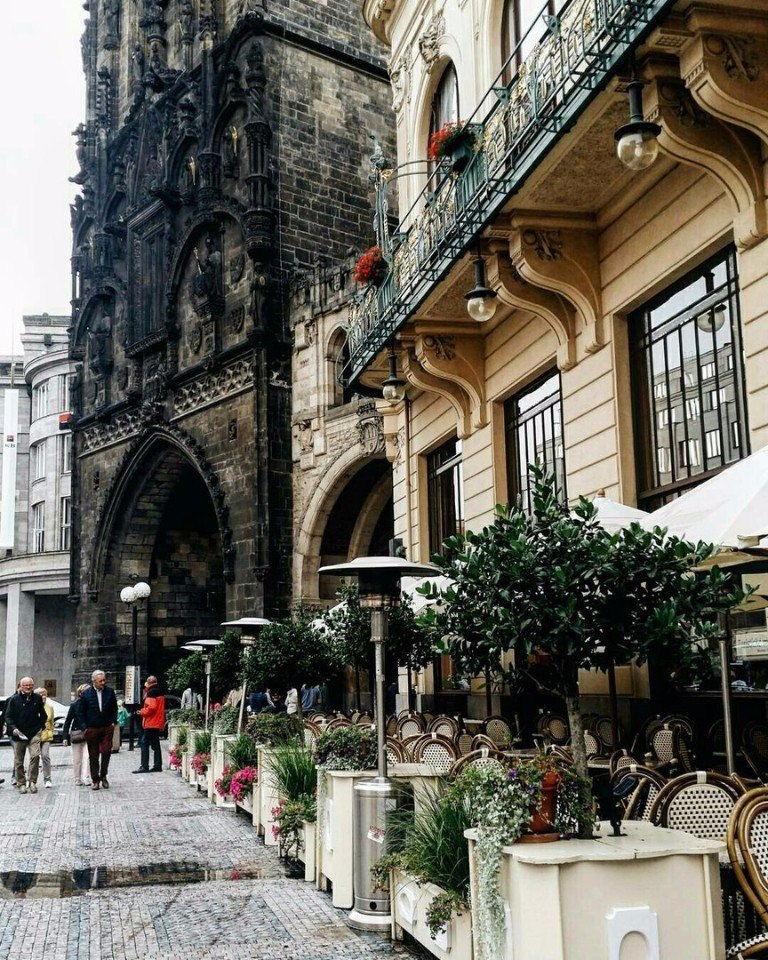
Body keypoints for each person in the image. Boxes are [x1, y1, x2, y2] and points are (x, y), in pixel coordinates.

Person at [4, 678, 47, 794]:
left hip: (34, 733)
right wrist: (13, 728)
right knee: (19, 761)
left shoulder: (37, 698)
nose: (28, 687)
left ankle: (32, 781)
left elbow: (43, 715)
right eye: (26, 685)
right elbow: (8, 716)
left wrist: (40, 727)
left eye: (30, 685)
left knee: (35, 756)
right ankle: (21, 783)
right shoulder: (14, 699)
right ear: (21, 686)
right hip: (19, 734)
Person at [81, 670, 118, 790]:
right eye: (100, 681)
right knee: (93, 755)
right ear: (94, 681)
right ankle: (95, 779)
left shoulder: (110, 692)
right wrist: (84, 727)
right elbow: (81, 712)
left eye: (104, 680)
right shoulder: (86, 694)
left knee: (106, 751)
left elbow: (114, 708)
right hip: (92, 728)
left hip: (107, 727)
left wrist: (113, 722)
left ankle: (103, 775)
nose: (103, 683)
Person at [134, 675, 165, 774]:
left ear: (148, 683)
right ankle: (157, 765)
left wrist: (141, 712)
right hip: (157, 722)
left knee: (144, 743)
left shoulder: (151, 692)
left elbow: (151, 708)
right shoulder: (160, 691)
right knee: (156, 744)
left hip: (151, 722)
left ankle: (144, 766)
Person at [63, 684, 91, 786]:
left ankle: (86, 777)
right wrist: (65, 737)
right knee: (77, 758)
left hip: (89, 732)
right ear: (80, 693)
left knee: (88, 757)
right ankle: (77, 778)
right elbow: (68, 721)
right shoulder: (74, 705)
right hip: (77, 733)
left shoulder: (92, 704)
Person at [35, 688, 55, 789]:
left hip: (46, 735)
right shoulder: (33, 706)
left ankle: (47, 779)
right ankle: (32, 779)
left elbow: (52, 722)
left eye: (44, 695)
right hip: (35, 735)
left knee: (45, 756)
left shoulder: (49, 707)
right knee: (34, 757)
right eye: (40, 695)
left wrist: (51, 732)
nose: (43, 697)